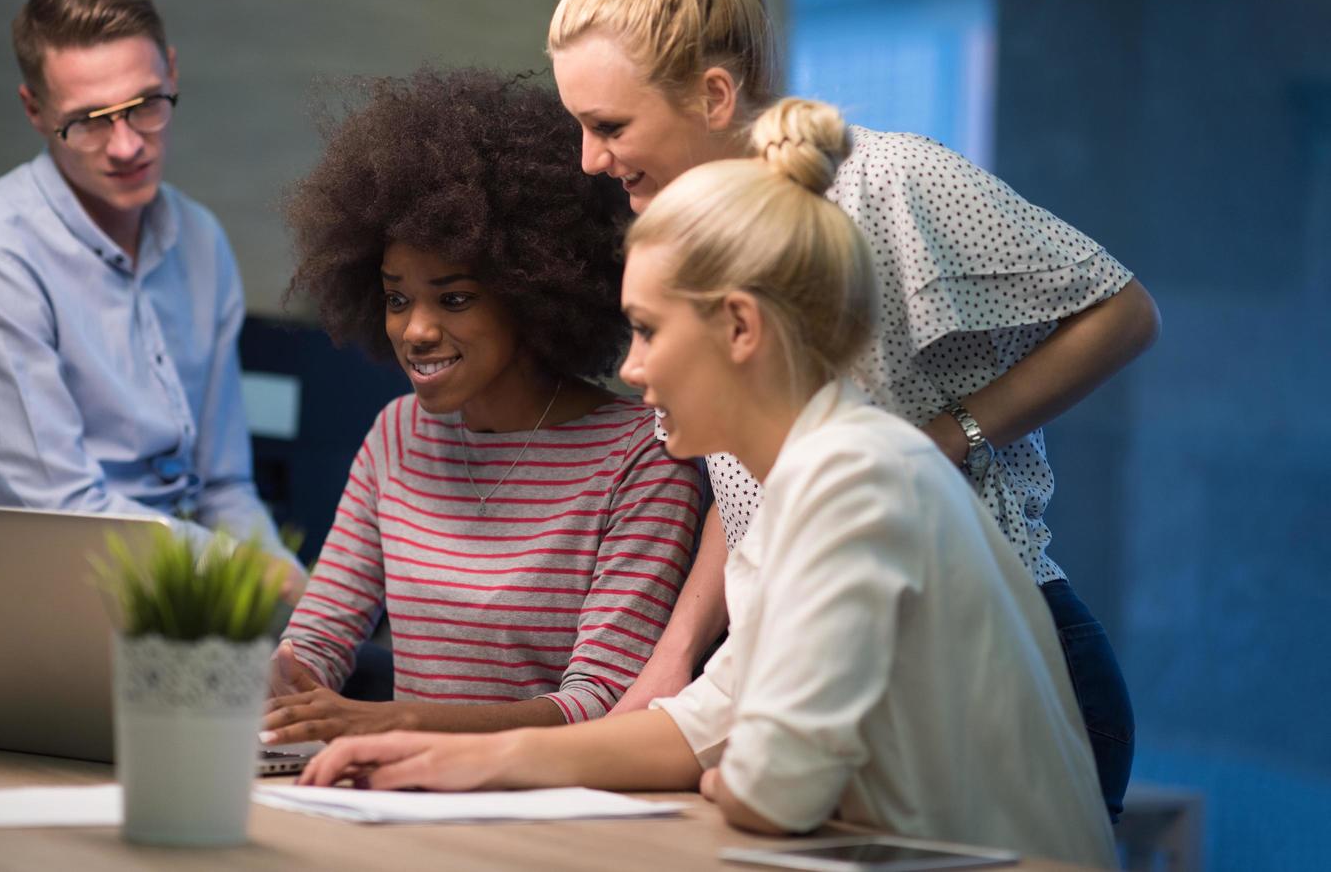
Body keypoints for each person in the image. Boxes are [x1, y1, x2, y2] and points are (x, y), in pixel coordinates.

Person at [294, 98, 1119, 870]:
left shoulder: (857, 480)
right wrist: (450, 759)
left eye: (648, 331)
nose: (631, 368)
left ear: (738, 327)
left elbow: (769, 785)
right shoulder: (801, 489)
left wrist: (740, 774)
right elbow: (697, 729)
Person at [543, 0, 1160, 820]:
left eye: (610, 127)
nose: (590, 161)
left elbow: (1122, 311)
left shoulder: (891, 180)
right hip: (811, 661)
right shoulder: (697, 237)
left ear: (715, 94)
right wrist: (675, 657)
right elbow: (750, 472)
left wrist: (946, 436)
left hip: (989, 664)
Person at [260, 68, 701, 742]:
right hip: (405, 800)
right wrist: (228, 685)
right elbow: (316, 643)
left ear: (531, 294)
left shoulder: (642, 456)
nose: (416, 330)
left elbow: (601, 702)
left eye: (454, 298)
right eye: (397, 298)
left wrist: (394, 722)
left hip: (558, 812)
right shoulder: (396, 436)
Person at [0, 0, 304, 585]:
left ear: (172, 72)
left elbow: (224, 486)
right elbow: (57, 519)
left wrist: (301, 603)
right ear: (35, 110)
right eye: (90, 121)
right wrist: (257, 578)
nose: (125, 146)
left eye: (145, 104)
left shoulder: (201, 242)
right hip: (36, 600)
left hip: (182, 600)